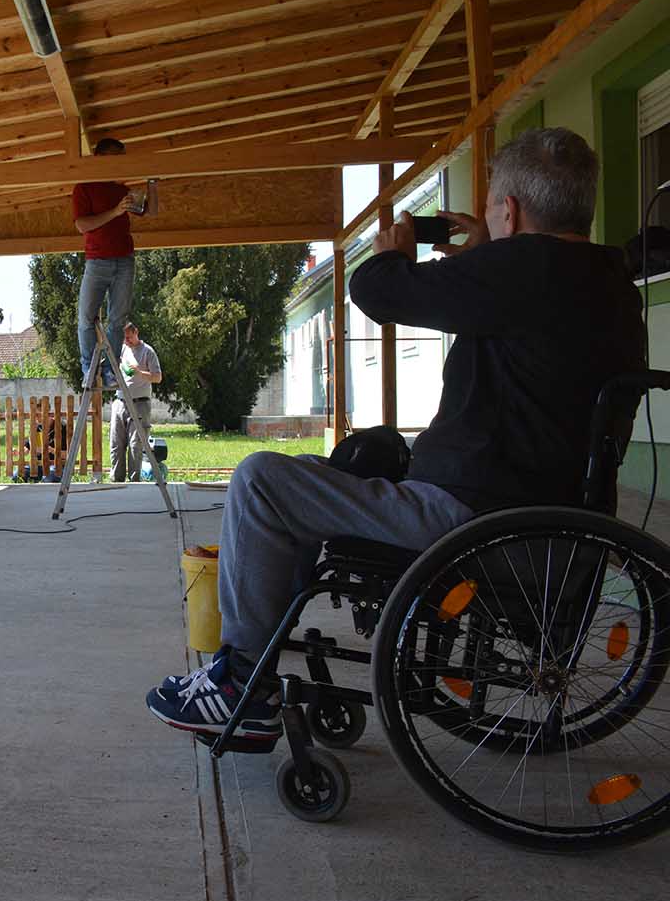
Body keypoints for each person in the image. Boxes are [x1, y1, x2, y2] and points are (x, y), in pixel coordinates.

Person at [145, 127, 646, 742]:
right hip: (551, 523)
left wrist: (394, 250)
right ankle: (255, 661)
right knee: (351, 459)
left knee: (261, 481)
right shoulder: (609, 284)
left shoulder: (521, 268)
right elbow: (525, 311)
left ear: (509, 211)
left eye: (492, 208)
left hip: (470, 518)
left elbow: (375, 291)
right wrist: (490, 255)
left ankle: (240, 683)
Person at [71, 137, 158, 389]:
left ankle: (110, 371)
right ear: (100, 158)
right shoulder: (84, 188)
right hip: (97, 261)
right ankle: (89, 368)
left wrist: (152, 182)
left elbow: (150, 212)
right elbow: (82, 225)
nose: (119, 163)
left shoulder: (122, 189)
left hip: (124, 261)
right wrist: (115, 212)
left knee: (118, 319)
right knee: (86, 318)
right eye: (115, 157)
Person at [110, 321, 162, 482]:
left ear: (136, 332)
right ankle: (116, 480)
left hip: (140, 404)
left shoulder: (148, 352)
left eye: (129, 337)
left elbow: (158, 377)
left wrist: (139, 372)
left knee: (135, 445)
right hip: (120, 401)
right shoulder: (122, 349)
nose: (127, 341)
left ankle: (134, 481)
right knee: (116, 444)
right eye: (124, 338)